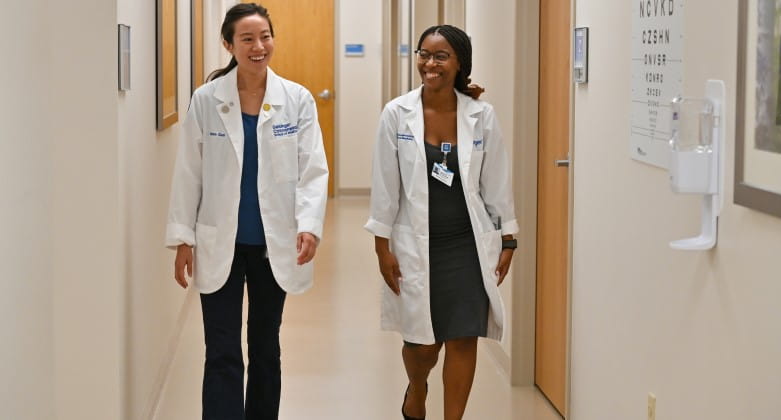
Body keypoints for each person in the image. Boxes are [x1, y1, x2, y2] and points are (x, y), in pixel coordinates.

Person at [165, 4, 328, 419]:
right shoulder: (207, 100)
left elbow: (313, 169)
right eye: (247, 39)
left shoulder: (296, 99)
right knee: (221, 350)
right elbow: (189, 172)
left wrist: (309, 225)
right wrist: (183, 238)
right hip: (220, 240)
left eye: (265, 37)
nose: (259, 46)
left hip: (273, 244)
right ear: (229, 44)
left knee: (265, 347)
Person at [365, 25, 519, 420]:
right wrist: (382, 247)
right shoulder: (396, 113)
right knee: (421, 345)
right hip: (415, 243)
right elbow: (385, 186)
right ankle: (417, 389)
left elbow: (496, 182)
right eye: (425, 54)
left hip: (467, 244)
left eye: (441, 56)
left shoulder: (481, 116)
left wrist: (508, 237)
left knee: (464, 337)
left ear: (459, 63)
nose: (430, 63)